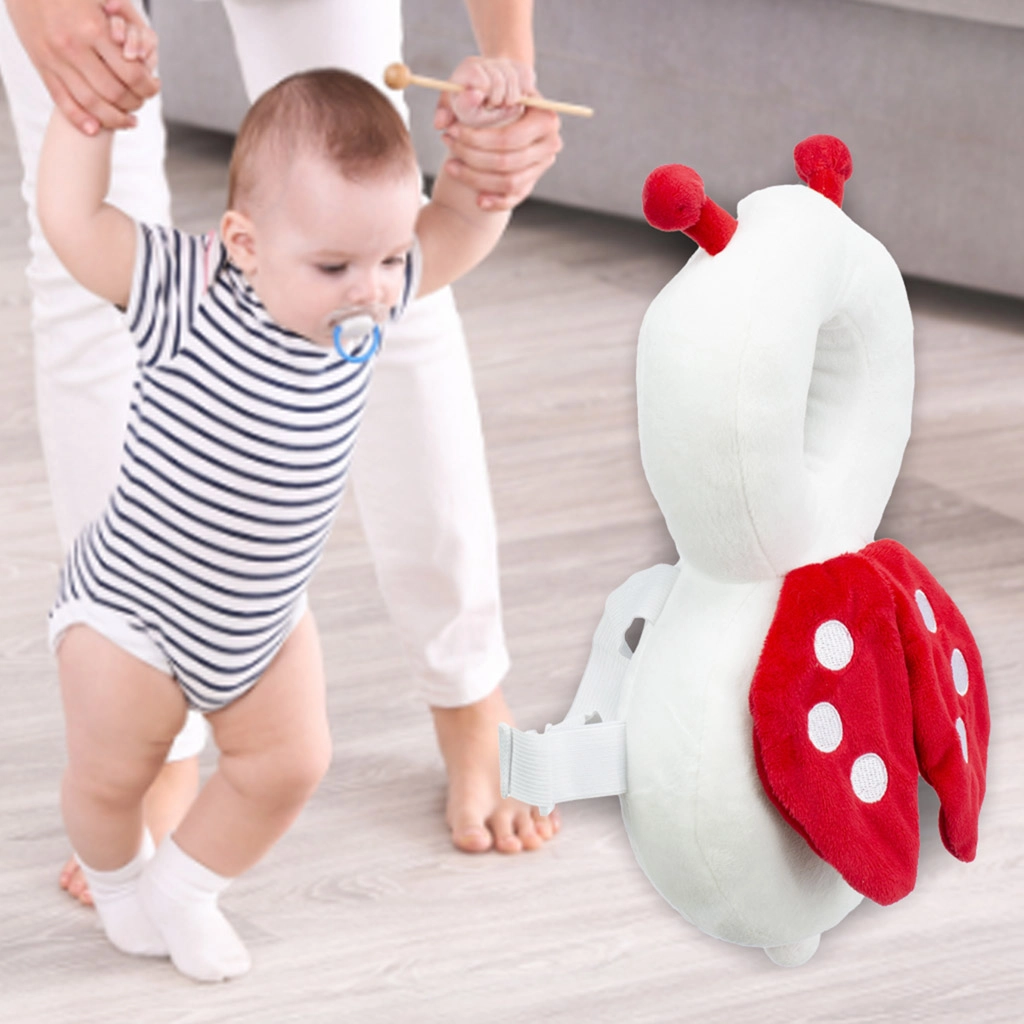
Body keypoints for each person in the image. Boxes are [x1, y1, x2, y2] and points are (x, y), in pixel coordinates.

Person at [0, 0, 564, 908]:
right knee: (87, 290)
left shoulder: (382, 284)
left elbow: (445, 230)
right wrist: (81, 105)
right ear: (241, 246)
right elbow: (78, 221)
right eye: (337, 273)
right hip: (144, 583)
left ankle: (466, 687)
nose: (369, 293)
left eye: (383, 268)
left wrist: (494, 119)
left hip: (261, 625)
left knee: (368, 204)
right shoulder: (178, 289)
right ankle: (151, 746)